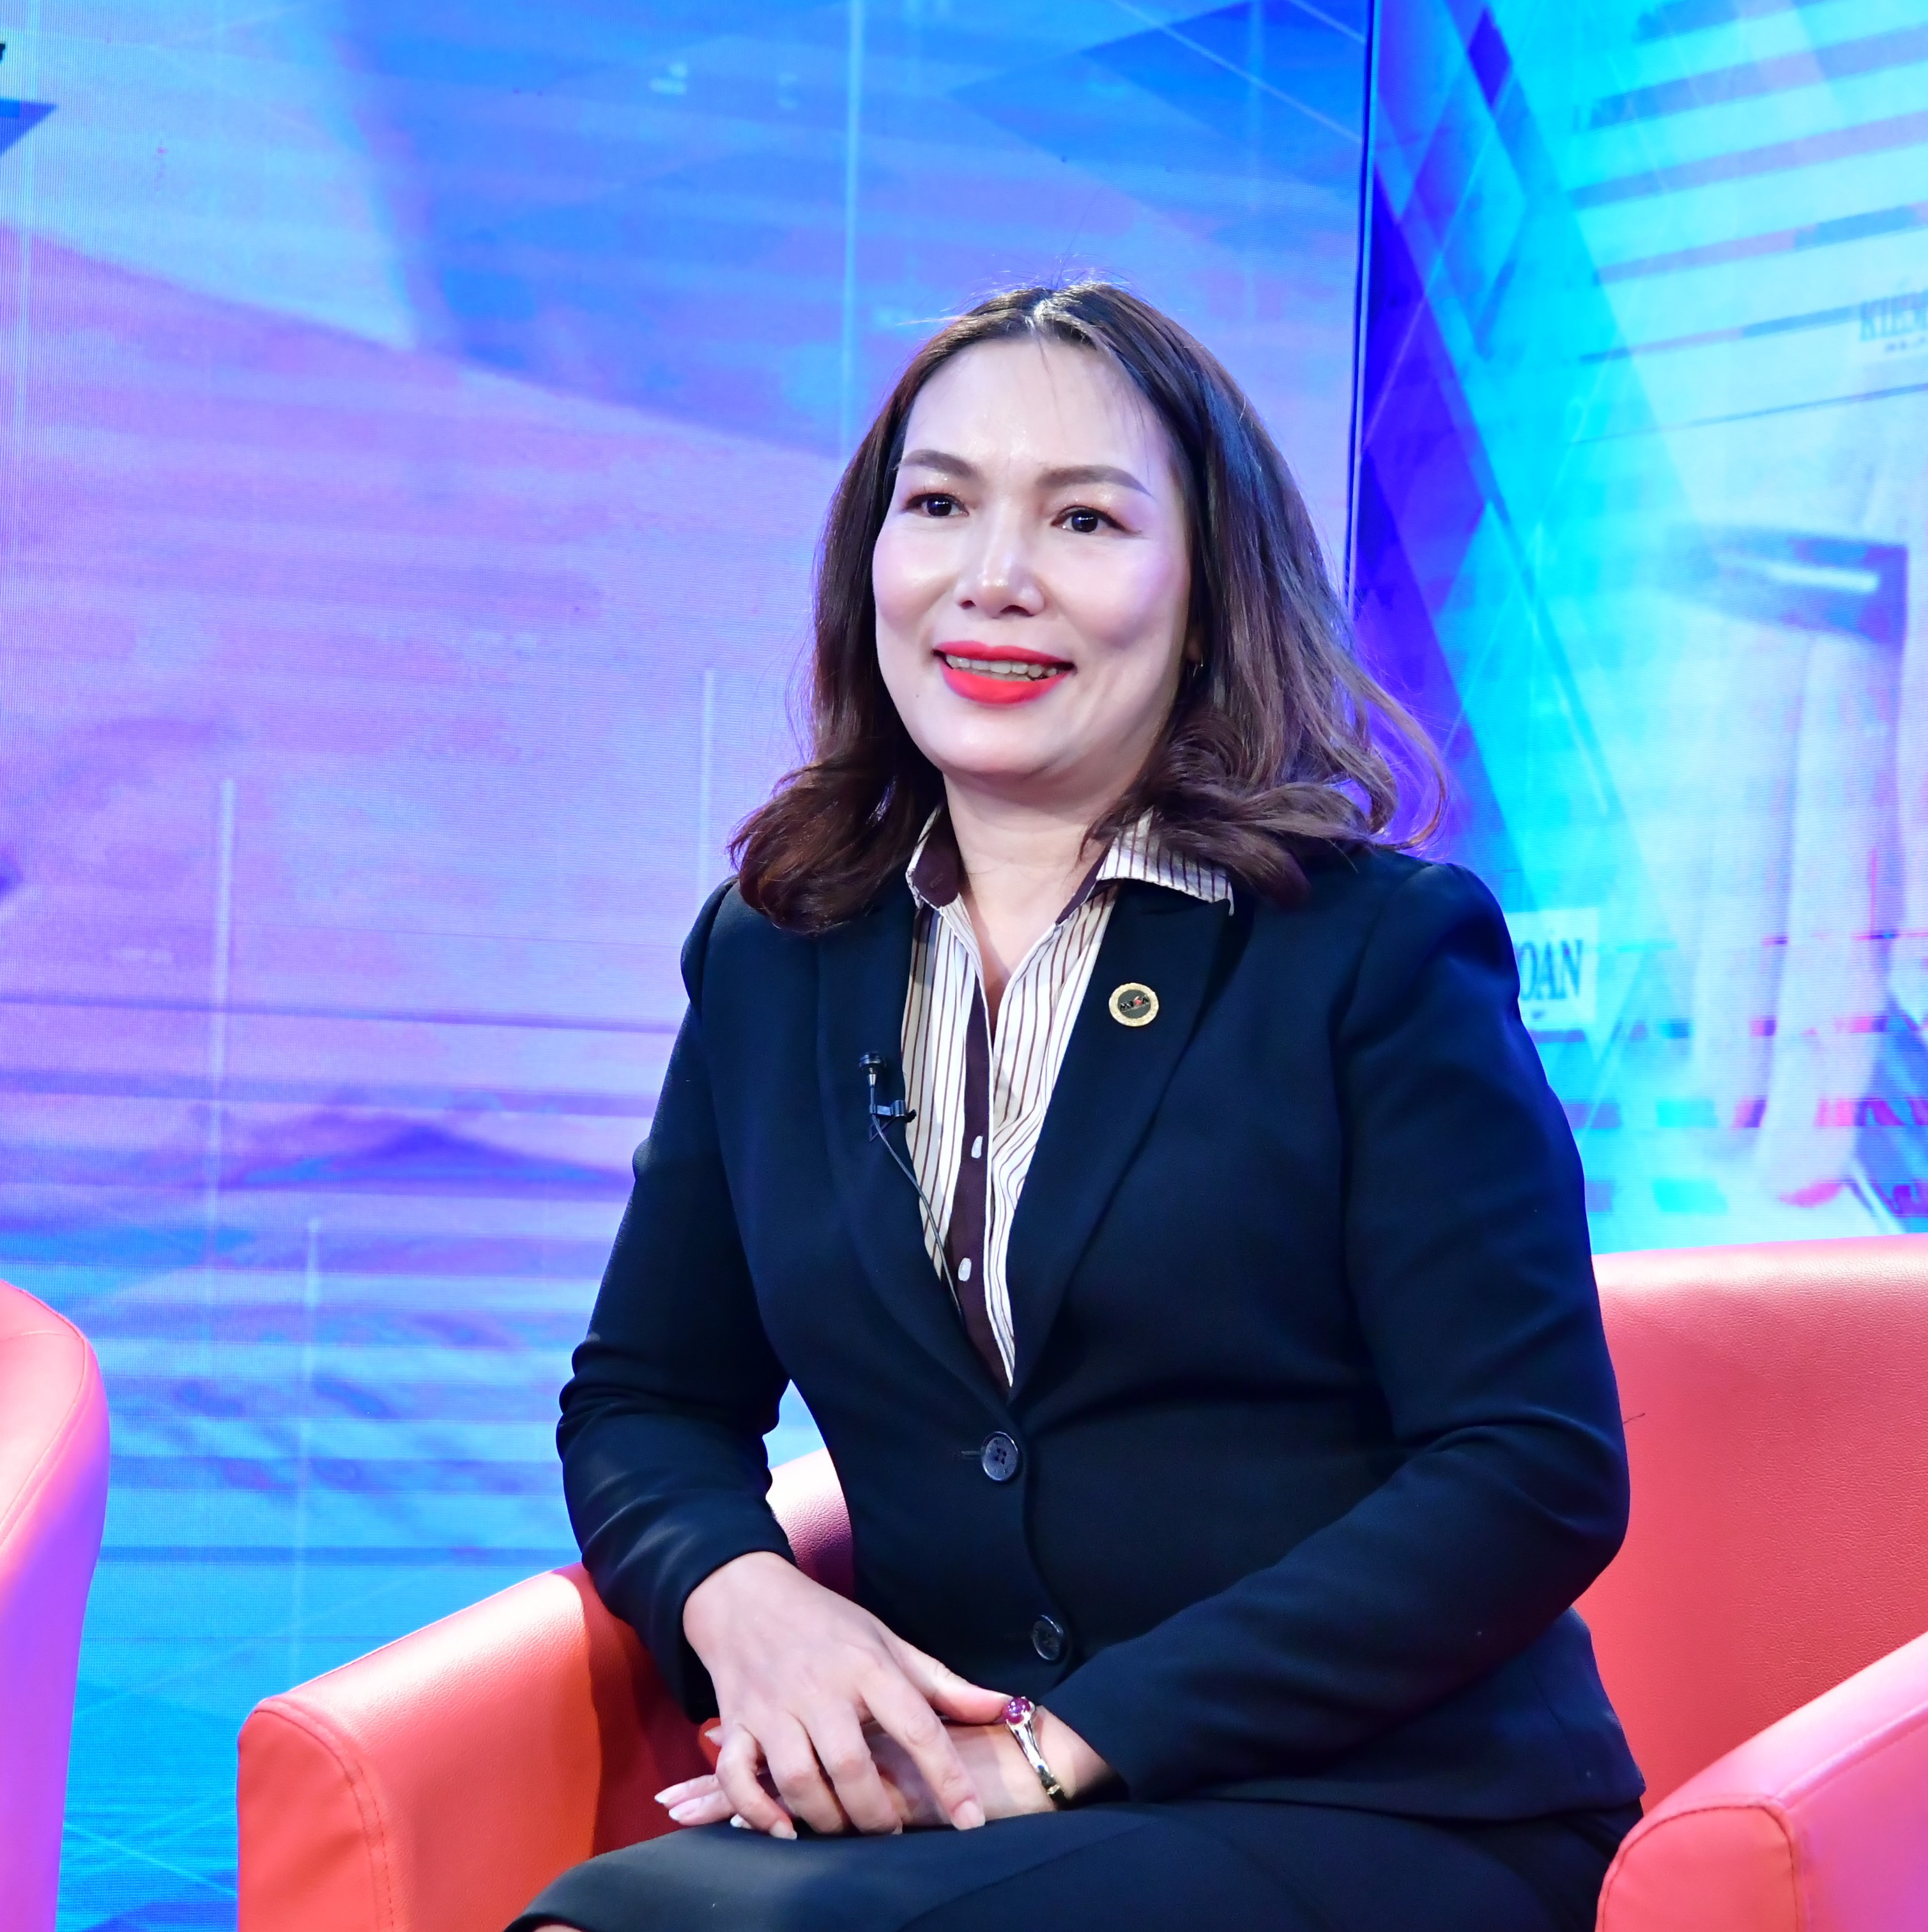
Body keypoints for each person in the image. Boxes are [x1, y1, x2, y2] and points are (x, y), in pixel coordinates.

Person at [514, 283, 1642, 1932]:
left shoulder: (1374, 953)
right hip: (956, 1805)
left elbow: (1528, 1468)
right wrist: (745, 1599)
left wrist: (1056, 1750)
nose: (995, 576)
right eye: (940, 505)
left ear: (1205, 595)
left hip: (1378, 1801)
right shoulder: (774, 952)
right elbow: (644, 1396)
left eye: (1084, 519)